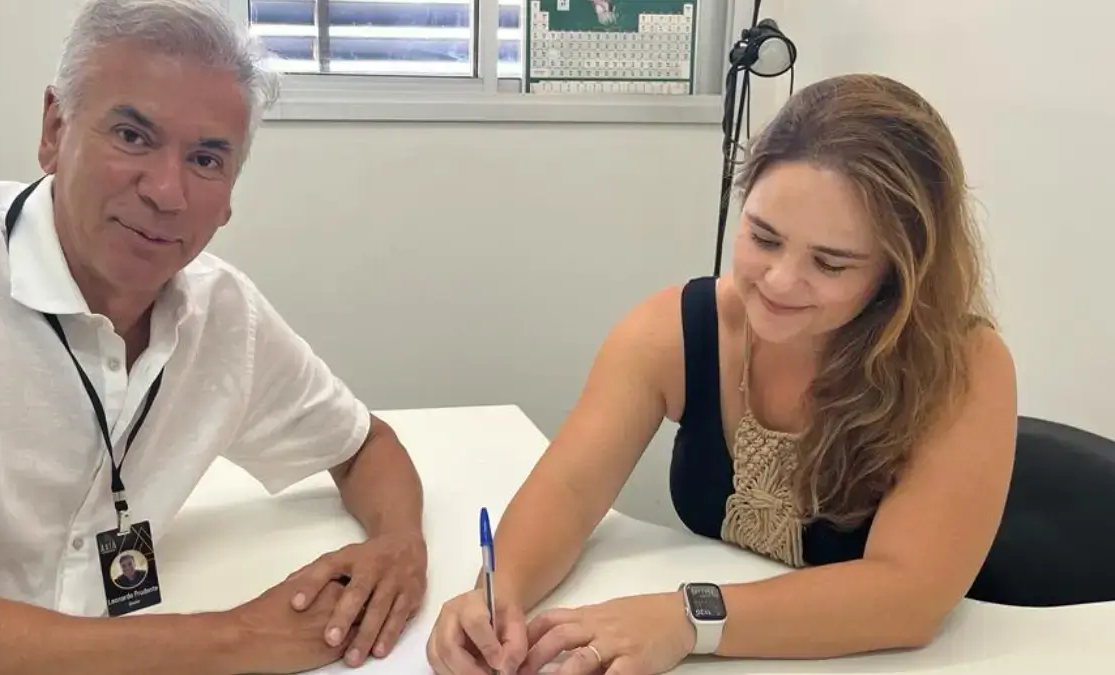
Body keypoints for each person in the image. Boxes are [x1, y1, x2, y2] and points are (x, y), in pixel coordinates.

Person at [0, 1, 427, 673]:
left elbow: (362, 445)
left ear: (231, 193)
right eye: (132, 136)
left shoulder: (223, 311)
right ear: (54, 129)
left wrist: (398, 544)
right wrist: (237, 637)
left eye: (206, 158)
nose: (166, 191)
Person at [427, 73, 1018, 675]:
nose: (780, 281)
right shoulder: (674, 330)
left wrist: (687, 617)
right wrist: (496, 596)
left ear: (900, 272)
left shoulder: (963, 366)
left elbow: (907, 598)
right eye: (763, 237)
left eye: (830, 263)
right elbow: (570, 491)